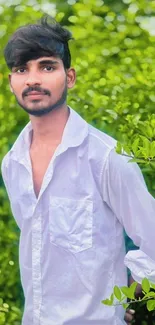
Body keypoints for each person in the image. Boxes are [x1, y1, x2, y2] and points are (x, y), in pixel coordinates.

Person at [1, 15, 155, 325]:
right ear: (11, 82)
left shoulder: (106, 158)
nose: (33, 79)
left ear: (69, 77)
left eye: (46, 66)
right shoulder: (12, 163)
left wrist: (124, 297)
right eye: (21, 69)